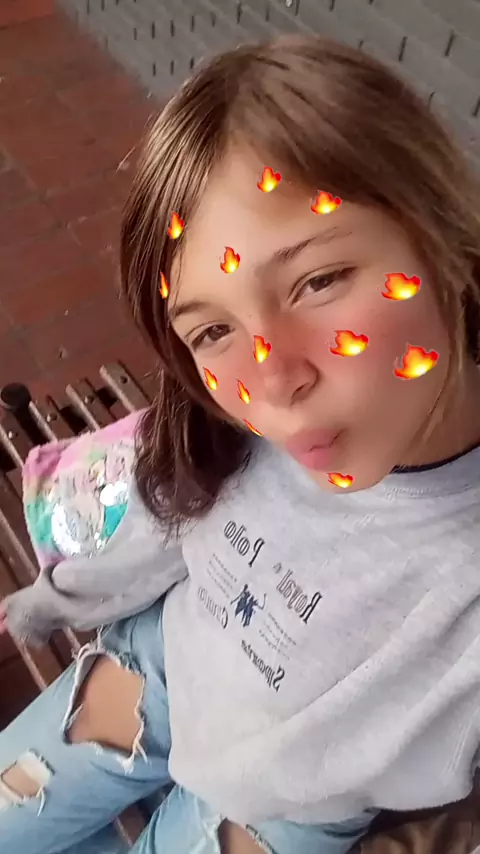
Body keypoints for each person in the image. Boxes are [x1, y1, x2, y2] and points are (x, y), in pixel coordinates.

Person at [1, 31, 480, 854]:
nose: (273, 379)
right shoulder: (227, 433)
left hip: (288, 807)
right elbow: (163, 523)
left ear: (449, 242)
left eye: (318, 280)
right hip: (155, 674)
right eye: (213, 331)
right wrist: (54, 602)